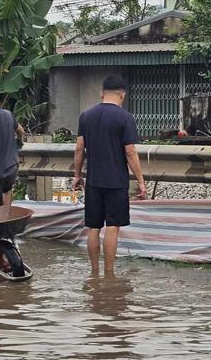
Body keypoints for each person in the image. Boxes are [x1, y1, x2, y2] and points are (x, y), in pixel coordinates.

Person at [72, 75, 147, 275]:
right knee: (112, 227)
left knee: (93, 228)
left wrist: (77, 175)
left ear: (102, 93)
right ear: (122, 95)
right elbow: (130, 151)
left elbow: (79, 148)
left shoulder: (85, 116)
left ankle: (94, 272)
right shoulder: (125, 117)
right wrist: (141, 181)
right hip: (116, 182)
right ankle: (109, 273)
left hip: (93, 182)